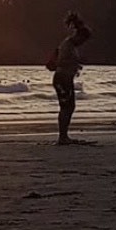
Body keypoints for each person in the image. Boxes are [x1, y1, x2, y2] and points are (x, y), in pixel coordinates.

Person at [50, 12, 92, 145]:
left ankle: (64, 135)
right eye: (82, 40)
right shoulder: (67, 45)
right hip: (62, 78)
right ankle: (62, 137)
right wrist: (74, 65)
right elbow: (60, 62)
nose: (82, 43)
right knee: (66, 107)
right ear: (78, 35)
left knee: (69, 106)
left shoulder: (71, 46)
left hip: (66, 78)